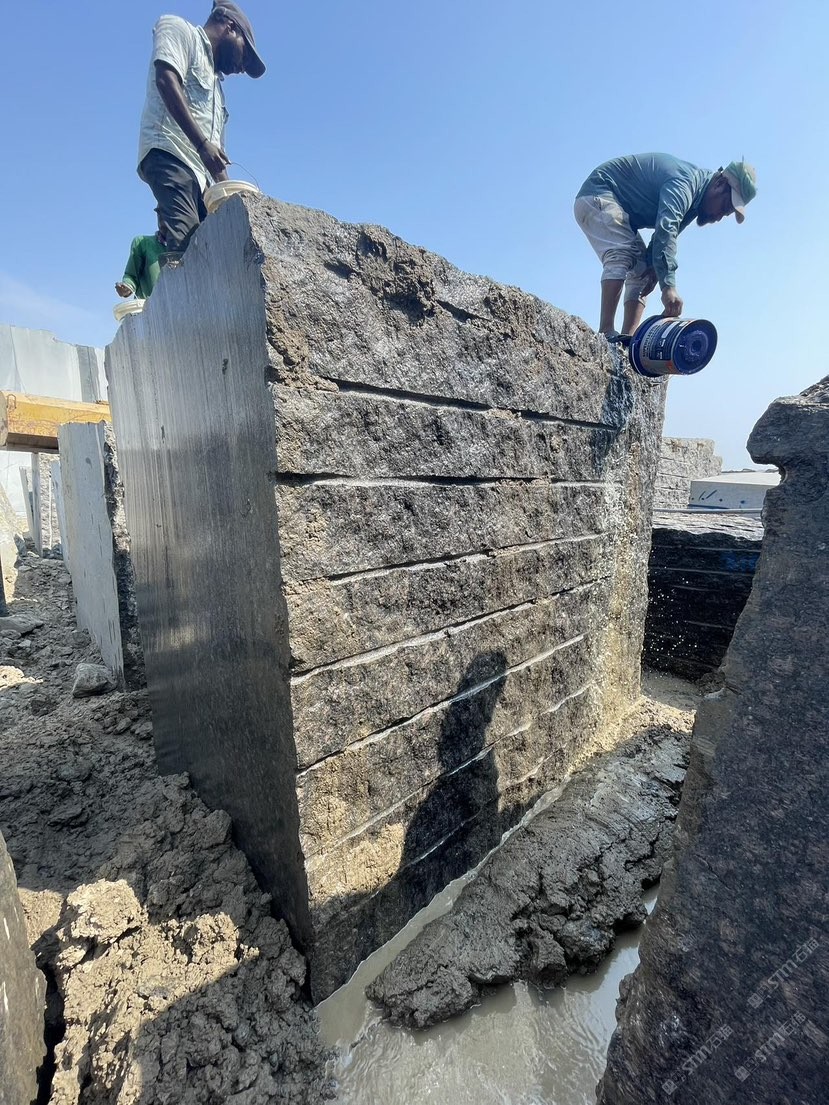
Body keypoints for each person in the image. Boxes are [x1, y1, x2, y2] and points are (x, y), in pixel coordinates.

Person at [574, 153, 757, 338]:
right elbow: (666, 229)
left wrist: (654, 267)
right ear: (719, 184)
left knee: (644, 271)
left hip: (615, 205)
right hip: (598, 194)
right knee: (622, 253)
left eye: (725, 215)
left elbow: (663, 240)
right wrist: (668, 287)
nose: (718, 217)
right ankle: (606, 331)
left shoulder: (695, 201)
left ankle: (626, 341)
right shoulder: (685, 184)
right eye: (724, 207)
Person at [136, 3, 265, 258]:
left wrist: (231, 196)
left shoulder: (218, 91)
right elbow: (166, 80)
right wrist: (202, 144)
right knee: (187, 247)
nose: (243, 67)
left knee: (213, 248)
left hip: (202, 176)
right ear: (230, 27)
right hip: (170, 152)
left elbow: (216, 159)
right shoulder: (179, 30)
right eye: (245, 55)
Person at [115, 210, 169, 300]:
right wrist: (127, 287)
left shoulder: (188, 248)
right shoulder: (142, 243)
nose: (162, 219)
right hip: (150, 308)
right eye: (159, 213)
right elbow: (131, 276)